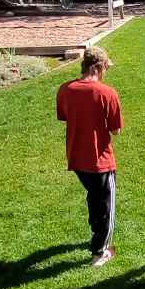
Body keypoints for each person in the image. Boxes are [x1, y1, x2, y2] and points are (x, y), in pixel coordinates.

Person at [56, 47, 123, 267]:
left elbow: (65, 116)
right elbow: (115, 130)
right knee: (106, 206)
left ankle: (96, 236)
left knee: (94, 197)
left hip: (76, 158)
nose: (106, 71)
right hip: (100, 161)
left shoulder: (65, 89)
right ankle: (100, 252)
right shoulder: (107, 93)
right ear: (97, 67)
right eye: (105, 67)